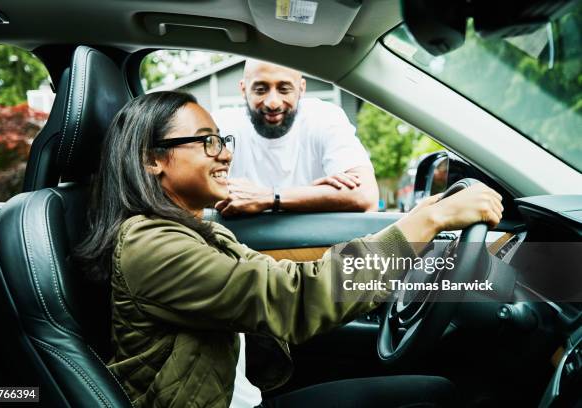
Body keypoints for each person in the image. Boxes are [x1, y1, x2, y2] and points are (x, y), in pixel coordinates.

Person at [75, 91, 504, 408]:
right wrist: (424, 223)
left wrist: (410, 238)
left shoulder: (195, 230)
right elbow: (291, 298)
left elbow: (287, 280)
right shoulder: (152, 245)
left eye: (222, 140)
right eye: (207, 141)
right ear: (153, 159)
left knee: (429, 391)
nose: (224, 154)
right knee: (431, 397)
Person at [211, 60, 380, 216]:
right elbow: (191, 195)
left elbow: (366, 196)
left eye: (284, 89)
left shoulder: (325, 117)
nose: (273, 103)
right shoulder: (221, 125)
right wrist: (315, 194)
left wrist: (268, 197)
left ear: (301, 88)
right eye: (260, 90)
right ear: (243, 89)